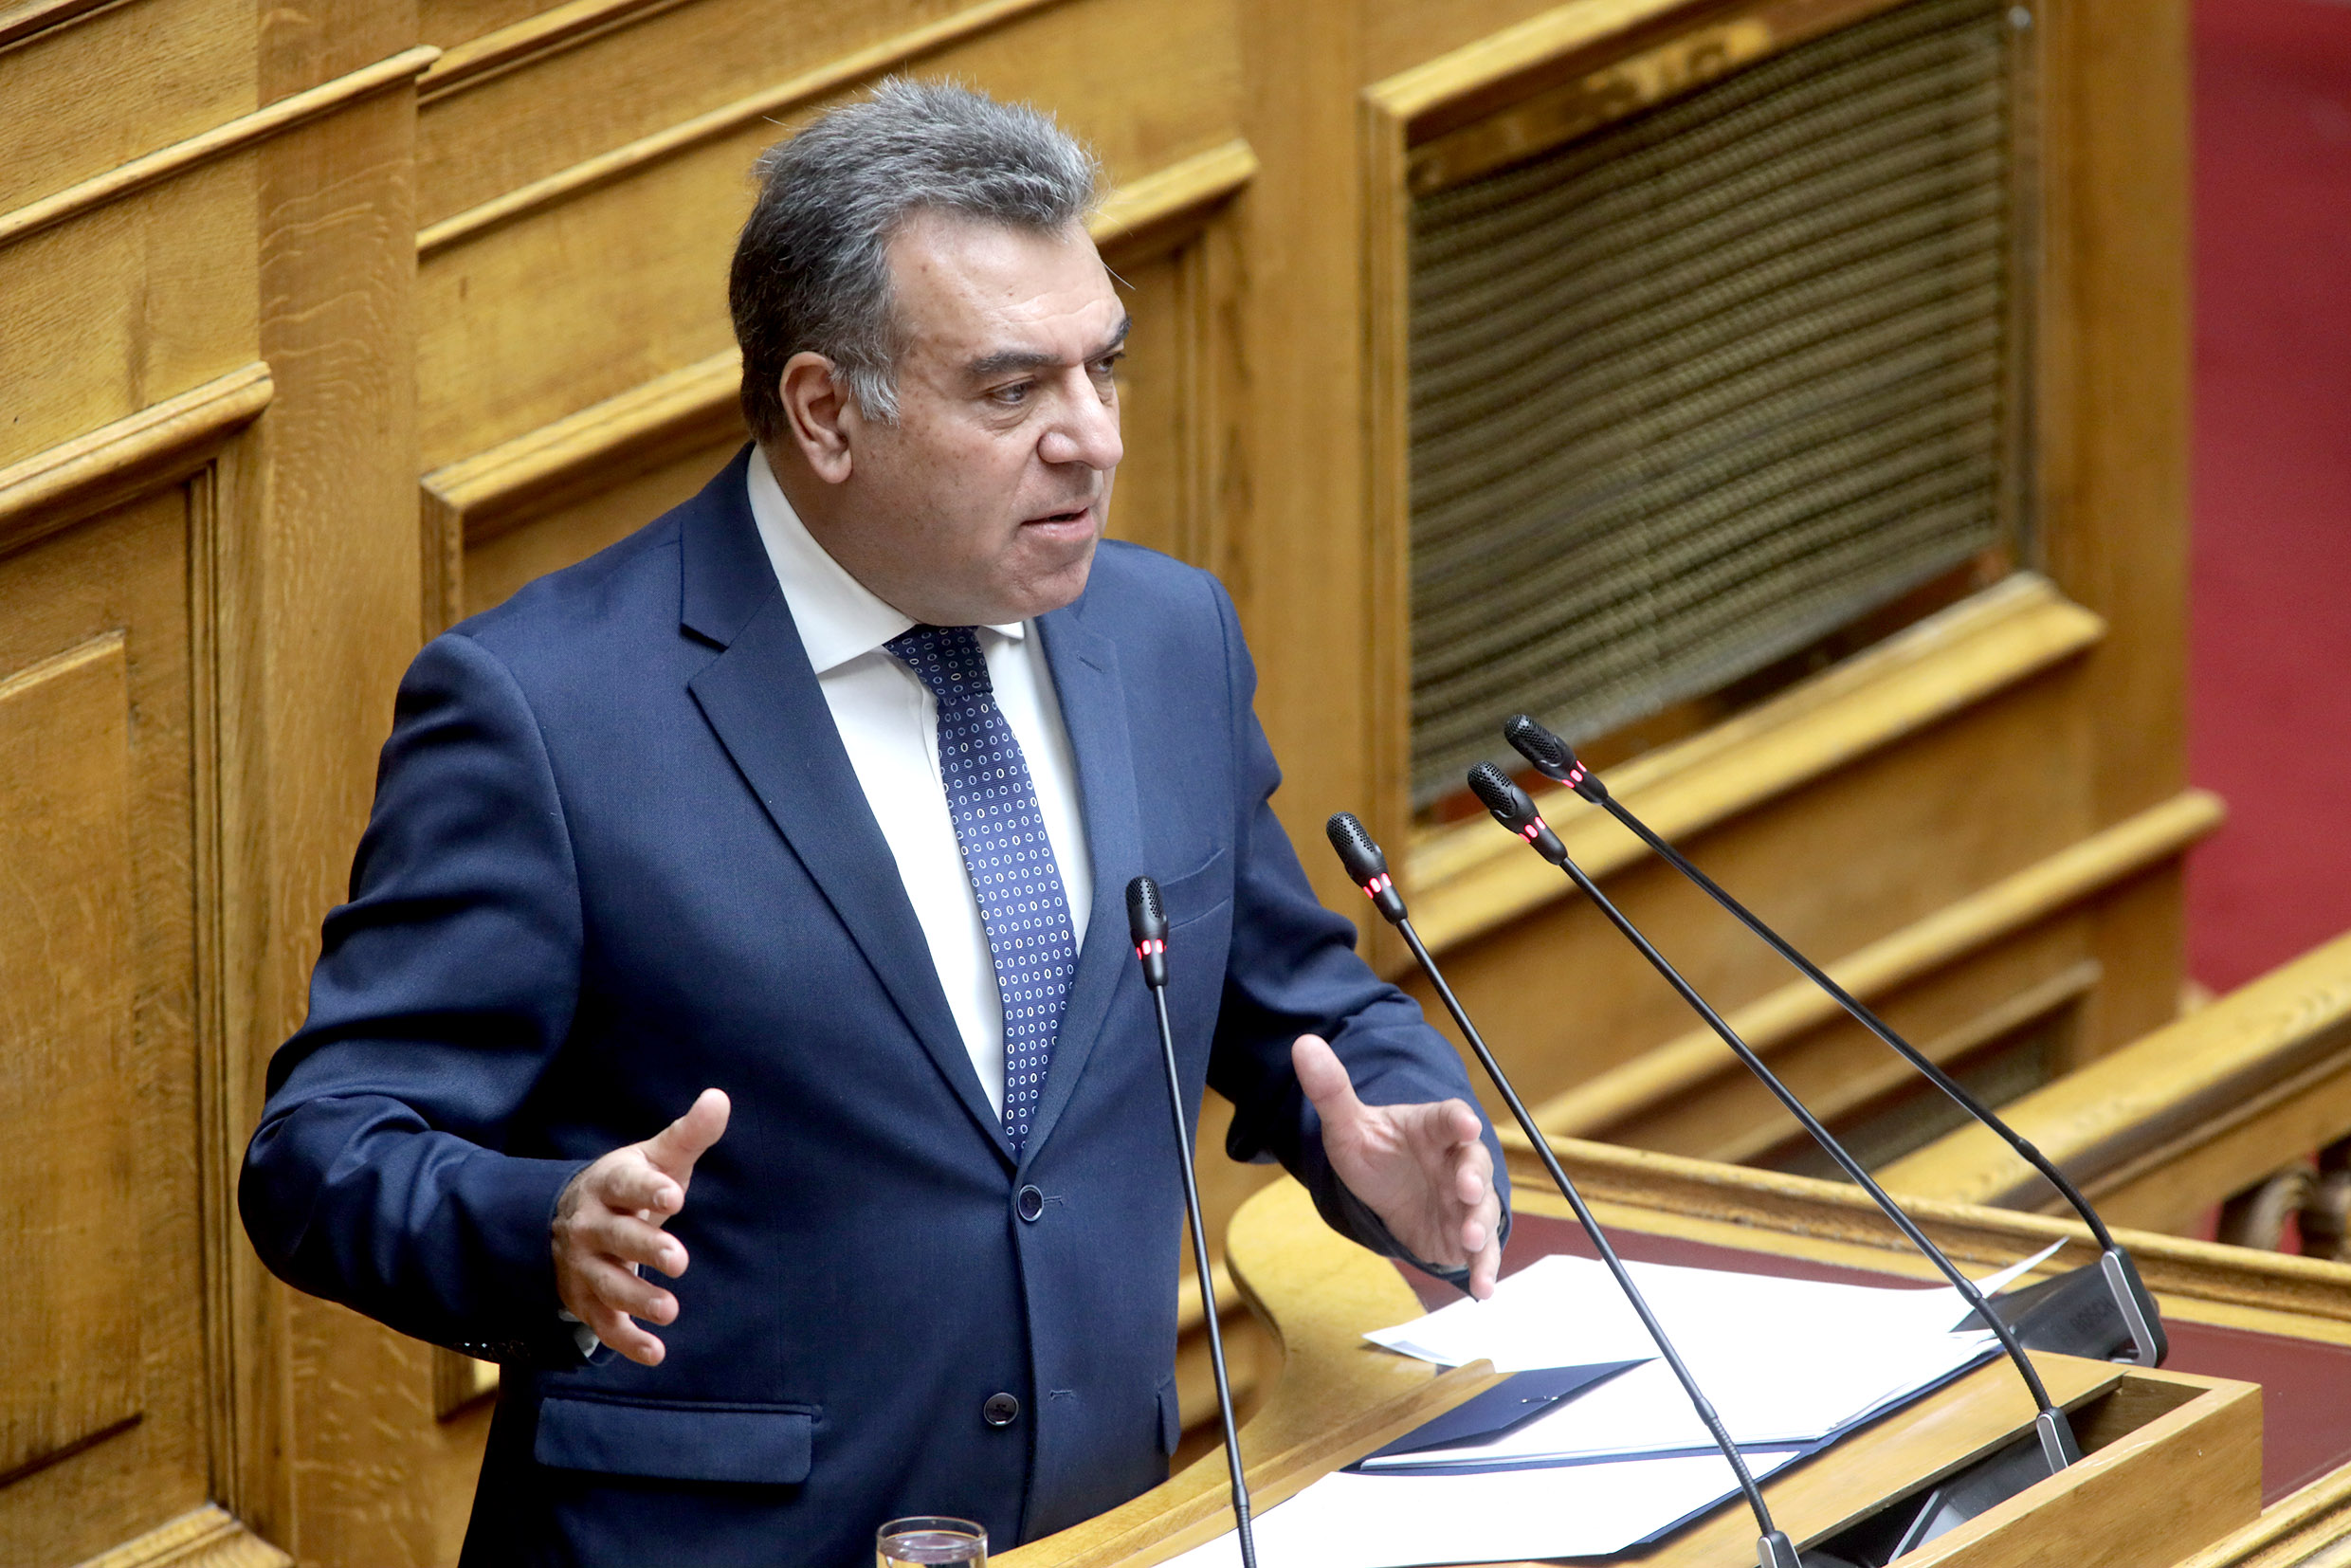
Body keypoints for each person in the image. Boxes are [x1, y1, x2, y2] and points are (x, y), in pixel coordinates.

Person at [240, 79, 1507, 1567]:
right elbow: (321, 1150)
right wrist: (546, 1227)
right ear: (827, 412)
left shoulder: (1168, 638)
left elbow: (1301, 1009)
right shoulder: (547, 712)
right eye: (1012, 391)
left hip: (1101, 1532)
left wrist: (1394, 1143)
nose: (1092, 438)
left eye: (1103, 365)